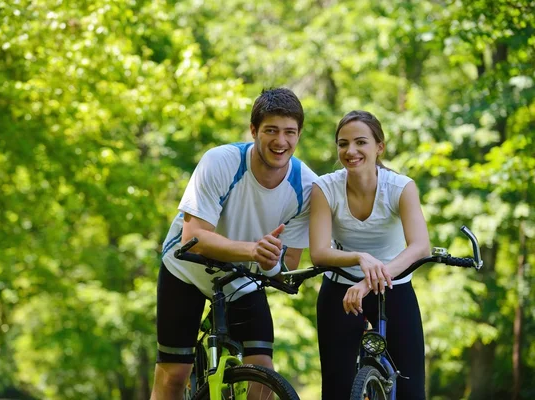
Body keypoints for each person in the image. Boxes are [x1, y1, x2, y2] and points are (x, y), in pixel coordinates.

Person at [151, 88, 318, 399]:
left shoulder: (307, 186)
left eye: (289, 132)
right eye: (270, 130)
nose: (280, 141)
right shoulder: (221, 162)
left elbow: (289, 265)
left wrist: (271, 264)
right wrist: (253, 250)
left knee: (263, 373)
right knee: (174, 375)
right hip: (185, 269)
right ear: (253, 130)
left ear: (299, 135)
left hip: (240, 279)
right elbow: (194, 238)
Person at [309, 110, 431, 400]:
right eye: (343, 143)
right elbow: (319, 253)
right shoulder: (325, 188)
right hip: (341, 290)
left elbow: (420, 247)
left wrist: (369, 281)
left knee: (411, 390)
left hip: (394, 289)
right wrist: (359, 258)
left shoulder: (400, 187)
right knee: (337, 389)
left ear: (379, 147)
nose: (350, 151)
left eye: (360, 142)